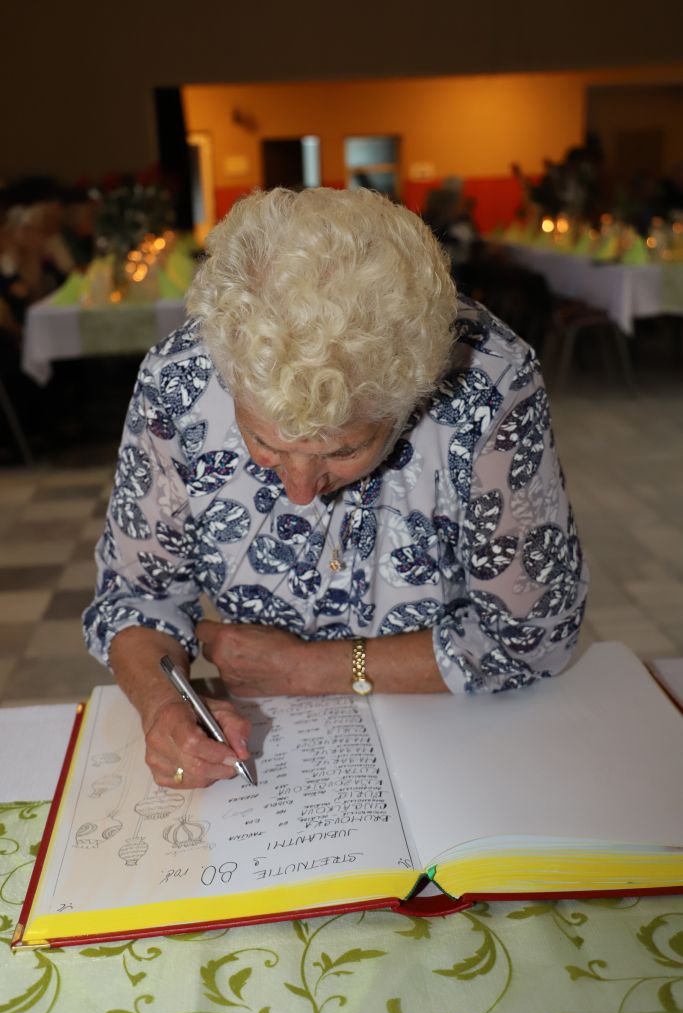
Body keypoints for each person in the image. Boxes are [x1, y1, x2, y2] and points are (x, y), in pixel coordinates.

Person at [83, 187, 588, 790]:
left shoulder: (490, 384)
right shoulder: (178, 381)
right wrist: (164, 707)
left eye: (344, 451)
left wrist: (309, 669)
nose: (301, 491)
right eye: (264, 443)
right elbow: (137, 596)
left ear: (412, 400)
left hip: (460, 734)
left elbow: (533, 637)